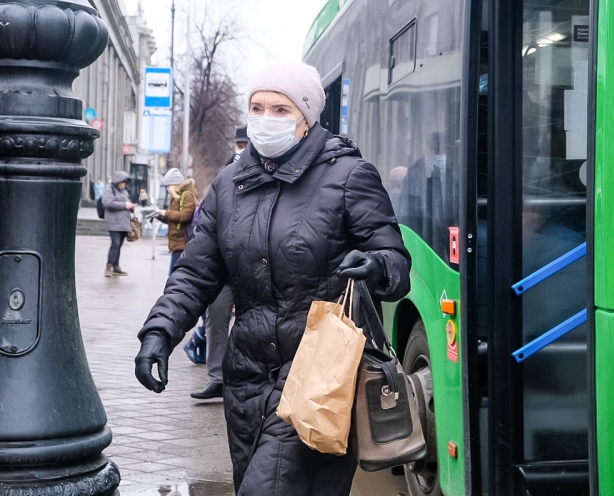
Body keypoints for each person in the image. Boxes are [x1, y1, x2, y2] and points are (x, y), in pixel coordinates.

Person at [135, 62, 411, 495]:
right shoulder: (229, 184)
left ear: (306, 119)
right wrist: (160, 332)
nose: (266, 118)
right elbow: (195, 273)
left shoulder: (348, 176)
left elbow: (395, 259)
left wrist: (378, 266)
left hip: (318, 373)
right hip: (245, 379)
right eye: (257, 107)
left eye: (280, 109)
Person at [190, 125, 248, 400]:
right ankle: (217, 378)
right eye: (239, 144)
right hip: (225, 270)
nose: (242, 150)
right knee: (215, 318)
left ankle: (247, 378)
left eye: (245, 144)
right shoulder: (225, 177)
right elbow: (208, 226)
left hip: (255, 269)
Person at [155, 168, 197, 273]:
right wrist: (160, 215)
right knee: (176, 275)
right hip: (176, 242)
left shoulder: (187, 195)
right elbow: (173, 219)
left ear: (175, 184)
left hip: (183, 241)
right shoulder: (175, 197)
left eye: (168, 186)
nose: (167, 188)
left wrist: (166, 213)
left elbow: (184, 216)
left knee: (174, 275)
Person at [102, 171, 135, 277]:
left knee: (119, 245)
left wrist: (130, 206)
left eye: (125, 182)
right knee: (115, 244)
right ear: (118, 181)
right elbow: (107, 203)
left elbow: (126, 202)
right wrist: (124, 205)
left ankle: (116, 266)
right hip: (114, 222)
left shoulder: (124, 191)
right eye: (123, 182)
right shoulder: (109, 189)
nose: (124, 184)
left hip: (123, 223)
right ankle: (109, 266)